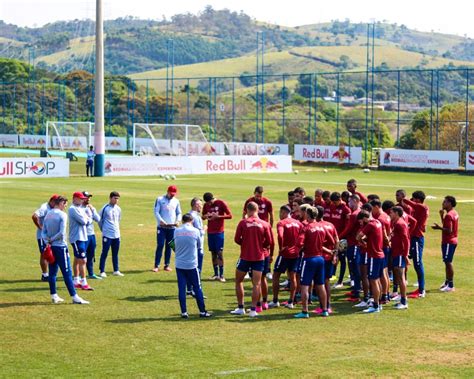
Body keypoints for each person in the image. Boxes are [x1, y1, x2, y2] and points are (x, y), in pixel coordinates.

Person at [42, 196, 89, 304]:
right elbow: (62, 232)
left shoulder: (48, 214)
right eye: (65, 204)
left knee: (52, 272)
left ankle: (54, 295)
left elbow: (43, 231)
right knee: (67, 273)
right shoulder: (62, 215)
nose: (66, 206)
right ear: (61, 203)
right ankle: (74, 297)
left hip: (51, 247)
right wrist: (53, 240)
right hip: (61, 247)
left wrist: (48, 241)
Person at [231, 202, 272, 317]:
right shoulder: (264, 224)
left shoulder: (243, 223)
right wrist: (260, 245)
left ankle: (240, 308)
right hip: (259, 257)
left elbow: (236, 239)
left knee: (239, 281)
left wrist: (245, 244)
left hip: (245, 256)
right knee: (256, 284)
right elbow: (269, 242)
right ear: (257, 210)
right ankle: (253, 310)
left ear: (247, 210)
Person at [294, 206, 330, 318]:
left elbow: (299, 243)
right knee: (321, 285)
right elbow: (328, 240)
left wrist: (302, 248)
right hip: (320, 258)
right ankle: (325, 309)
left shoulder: (306, 228)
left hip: (309, 258)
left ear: (308, 215)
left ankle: (305, 311)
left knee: (304, 285)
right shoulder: (321, 227)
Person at [174, 213, 212, 319]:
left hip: (179, 264)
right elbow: (199, 246)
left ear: (182, 221)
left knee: (181, 288)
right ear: (191, 221)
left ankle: (184, 312)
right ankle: (202, 311)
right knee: (197, 287)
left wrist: (178, 252)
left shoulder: (177, 231)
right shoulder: (195, 231)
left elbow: (172, 243)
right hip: (191, 264)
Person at [269, 205, 303, 309]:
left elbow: (280, 235)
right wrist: (298, 247)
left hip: (285, 253)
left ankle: (275, 300)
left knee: (276, 276)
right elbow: (302, 237)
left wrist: (281, 247)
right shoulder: (298, 223)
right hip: (295, 254)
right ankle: (291, 301)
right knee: (292, 277)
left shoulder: (282, 223)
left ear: (283, 213)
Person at [402, 191, 429, 299]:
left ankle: (421, 290)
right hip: (413, 238)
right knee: (405, 259)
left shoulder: (423, 207)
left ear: (418, 199)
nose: (412, 200)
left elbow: (407, 201)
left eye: (413, 198)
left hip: (417, 239)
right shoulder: (418, 209)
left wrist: (404, 198)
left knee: (418, 263)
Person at [356, 210, 384, 314]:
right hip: (380, 255)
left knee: (373, 280)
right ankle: (379, 303)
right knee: (377, 281)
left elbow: (358, 236)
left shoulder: (370, 225)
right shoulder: (377, 222)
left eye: (361, 221)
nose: (361, 224)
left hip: (373, 256)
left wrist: (362, 242)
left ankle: (375, 305)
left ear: (364, 218)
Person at [202, 192, 232, 282]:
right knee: (213, 253)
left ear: (212, 199)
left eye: (210, 203)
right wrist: (205, 216)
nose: (208, 205)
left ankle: (221, 275)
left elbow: (230, 215)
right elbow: (203, 216)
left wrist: (218, 216)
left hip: (219, 232)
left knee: (219, 252)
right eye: (207, 203)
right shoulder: (206, 205)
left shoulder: (221, 203)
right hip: (210, 232)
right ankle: (215, 274)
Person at [432, 196, 459, 292]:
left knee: (448, 262)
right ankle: (447, 282)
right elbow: (447, 225)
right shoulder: (454, 213)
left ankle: (451, 285)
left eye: (445, 202)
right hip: (452, 240)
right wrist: (441, 216)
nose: (443, 203)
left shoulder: (449, 215)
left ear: (450, 203)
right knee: (447, 262)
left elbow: (449, 230)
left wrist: (438, 228)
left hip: (449, 241)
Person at [153, 185, 182, 272]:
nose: (172, 195)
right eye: (171, 193)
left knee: (170, 245)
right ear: (167, 191)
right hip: (161, 227)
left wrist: (178, 221)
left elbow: (179, 212)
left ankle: (166, 265)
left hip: (172, 227)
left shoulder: (176, 201)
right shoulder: (160, 199)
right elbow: (156, 211)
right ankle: (156, 265)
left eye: (174, 194)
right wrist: (160, 220)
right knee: (160, 245)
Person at [325, 192, 350, 288]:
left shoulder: (345, 209)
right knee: (334, 256)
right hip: (333, 237)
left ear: (340, 200)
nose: (334, 204)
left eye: (335, 202)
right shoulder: (332, 207)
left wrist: (340, 237)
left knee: (342, 259)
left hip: (342, 238)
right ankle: (332, 275)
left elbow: (348, 226)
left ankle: (340, 281)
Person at [316, 205, 339, 314]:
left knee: (319, 283)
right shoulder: (330, 225)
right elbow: (337, 240)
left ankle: (323, 306)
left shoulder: (316, 226)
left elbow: (318, 244)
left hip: (320, 257)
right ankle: (327, 305)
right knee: (326, 282)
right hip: (330, 257)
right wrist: (335, 254)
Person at [69, 191, 93, 291]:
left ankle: (76, 280)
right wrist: (87, 219)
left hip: (82, 236)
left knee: (77, 258)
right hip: (76, 237)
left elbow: (89, 220)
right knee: (83, 260)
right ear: (74, 198)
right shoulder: (72, 209)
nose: (83, 200)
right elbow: (84, 221)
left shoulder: (79, 208)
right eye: (81, 198)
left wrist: (87, 219)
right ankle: (84, 282)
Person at [339, 194, 362, 301]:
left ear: (355, 201)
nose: (348, 204)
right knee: (355, 268)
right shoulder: (359, 212)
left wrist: (338, 237)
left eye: (350, 201)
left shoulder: (354, 215)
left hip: (354, 244)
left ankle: (357, 292)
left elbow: (348, 229)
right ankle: (356, 289)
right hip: (356, 244)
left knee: (354, 268)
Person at [32, 194, 58, 281]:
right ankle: (45, 275)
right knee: (44, 255)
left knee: (51, 254)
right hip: (43, 237)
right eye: (55, 202)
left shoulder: (54, 208)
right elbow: (34, 216)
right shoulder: (44, 207)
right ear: (51, 201)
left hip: (51, 236)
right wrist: (40, 227)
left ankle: (49, 274)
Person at [370, 199, 391, 304]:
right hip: (385, 248)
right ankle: (385, 294)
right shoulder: (386, 216)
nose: (371, 211)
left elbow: (383, 235)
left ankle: (383, 296)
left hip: (380, 248)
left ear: (377, 206)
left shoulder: (380, 219)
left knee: (382, 273)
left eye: (372, 208)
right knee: (385, 272)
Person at [389, 206, 410, 310]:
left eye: (391, 212)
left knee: (401, 278)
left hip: (400, 254)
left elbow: (406, 240)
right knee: (398, 276)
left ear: (397, 213)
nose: (390, 214)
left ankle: (404, 301)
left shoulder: (400, 224)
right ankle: (402, 298)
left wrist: (405, 255)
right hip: (396, 253)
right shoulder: (396, 223)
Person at [99, 191, 123, 277]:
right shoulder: (105, 208)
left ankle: (116, 270)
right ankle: (102, 271)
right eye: (115, 198)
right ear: (110, 198)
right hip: (107, 234)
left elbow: (118, 220)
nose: (116, 200)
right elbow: (100, 220)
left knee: (115, 253)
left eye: (117, 199)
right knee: (105, 252)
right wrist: (104, 230)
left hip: (116, 234)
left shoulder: (118, 209)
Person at [187, 197, 205, 296]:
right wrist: (205, 229)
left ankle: (189, 289)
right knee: (197, 269)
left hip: (190, 247)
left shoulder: (189, 215)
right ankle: (196, 289)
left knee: (190, 268)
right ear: (196, 205)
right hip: (198, 246)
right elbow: (199, 232)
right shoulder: (196, 217)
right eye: (200, 205)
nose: (201, 207)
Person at [82, 191, 101, 280]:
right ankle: (79, 275)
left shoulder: (90, 208)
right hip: (83, 235)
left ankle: (91, 273)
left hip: (91, 234)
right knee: (81, 256)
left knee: (91, 254)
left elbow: (98, 219)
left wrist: (93, 210)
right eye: (86, 197)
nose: (88, 199)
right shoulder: (79, 208)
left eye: (89, 197)